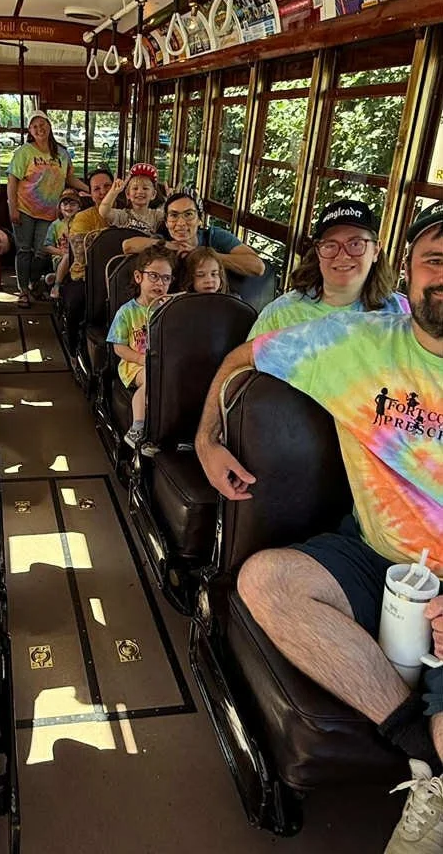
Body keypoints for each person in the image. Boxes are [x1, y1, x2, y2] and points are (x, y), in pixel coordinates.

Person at [194, 203, 443, 854]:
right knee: (266, 580)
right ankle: (418, 746)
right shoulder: (352, 345)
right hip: (374, 551)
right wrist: (207, 438)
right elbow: (243, 359)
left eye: (357, 243)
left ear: (375, 256)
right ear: (412, 274)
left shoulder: (376, 318)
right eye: (436, 261)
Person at [249, 199, 409, 337]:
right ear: (318, 252)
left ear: (376, 250)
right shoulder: (281, 314)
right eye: (330, 245)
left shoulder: (402, 313)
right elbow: (243, 369)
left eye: (355, 244)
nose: (342, 255)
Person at [7, 111, 88, 308]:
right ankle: (23, 291)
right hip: (24, 209)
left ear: (49, 126)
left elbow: (69, 178)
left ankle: (34, 284)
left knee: (41, 252)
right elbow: (12, 181)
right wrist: (13, 208)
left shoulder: (62, 153)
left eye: (42, 124)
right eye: (34, 126)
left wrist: (91, 190)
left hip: (50, 212)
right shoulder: (24, 152)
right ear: (30, 131)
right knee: (24, 250)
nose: (39, 129)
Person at [107, 244, 175, 449]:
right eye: (153, 276)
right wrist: (141, 359)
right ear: (139, 277)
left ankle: (170, 432)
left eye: (166, 278)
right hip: (135, 365)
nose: (160, 283)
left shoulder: (171, 311)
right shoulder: (126, 312)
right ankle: (138, 427)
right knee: (152, 378)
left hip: (164, 363)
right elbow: (118, 347)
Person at [124, 190, 265, 278]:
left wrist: (203, 255)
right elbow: (128, 245)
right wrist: (170, 246)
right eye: (174, 215)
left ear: (199, 220)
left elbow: (257, 267)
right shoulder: (163, 241)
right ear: (166, 222)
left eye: (188, 214)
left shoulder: (215, 236)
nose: (181, 223)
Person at [62, 168, 115, 359]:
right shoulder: (83, 218)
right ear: (90, 193)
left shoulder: (125, 214)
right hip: (86, 276)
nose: (102, 192)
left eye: (107, 186)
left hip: (119, 277)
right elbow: (80, 254)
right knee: (76, 301)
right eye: (97, 188)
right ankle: (73, 345)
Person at [100, 163, 162, 235]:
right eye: (135, 188)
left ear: (153, 194)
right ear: (128, 194)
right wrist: (113, 193)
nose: (140, 192)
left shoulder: (156, 216)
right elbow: (103, 212)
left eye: (145, 188)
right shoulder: (123, 215)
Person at [43, 188, 80, 299]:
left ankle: (57, 276)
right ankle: (57, 285)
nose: (68, 207)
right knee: (67, 257)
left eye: (73, 204)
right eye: (65, 204)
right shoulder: (55, 225)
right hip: (61, 258)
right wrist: (61, 252)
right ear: (60, 207)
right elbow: (46, 246)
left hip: (79, 257)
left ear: (79, 207)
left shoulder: (82, 222)